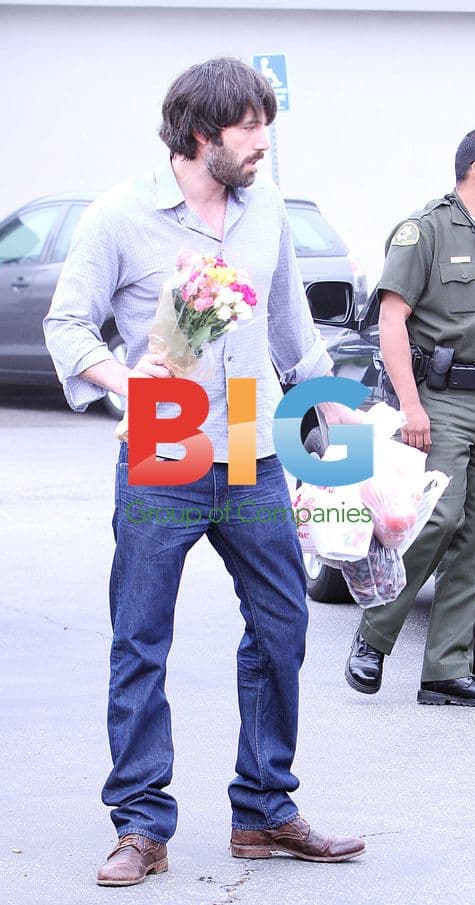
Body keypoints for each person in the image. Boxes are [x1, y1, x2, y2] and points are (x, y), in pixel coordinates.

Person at [44, 58, 365, 887]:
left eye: (267, 124)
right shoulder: (120, 215)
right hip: (163, 445)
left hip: (257, 447)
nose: (265, 142)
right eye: (249, 128)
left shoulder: (267, 217)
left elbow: (296, 333)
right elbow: (68, 323)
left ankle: (263, 808)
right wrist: (131, 380)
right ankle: (141, 823)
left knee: (284, 626)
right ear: (200, 135)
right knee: (140, 638)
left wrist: (340, 424)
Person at [346, 126, 475, 708]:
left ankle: (445, 671)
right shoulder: (425, 231)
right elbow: (391, 322)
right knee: (438, 518)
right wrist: (410, 404)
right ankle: (373, 635)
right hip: (441, 400)